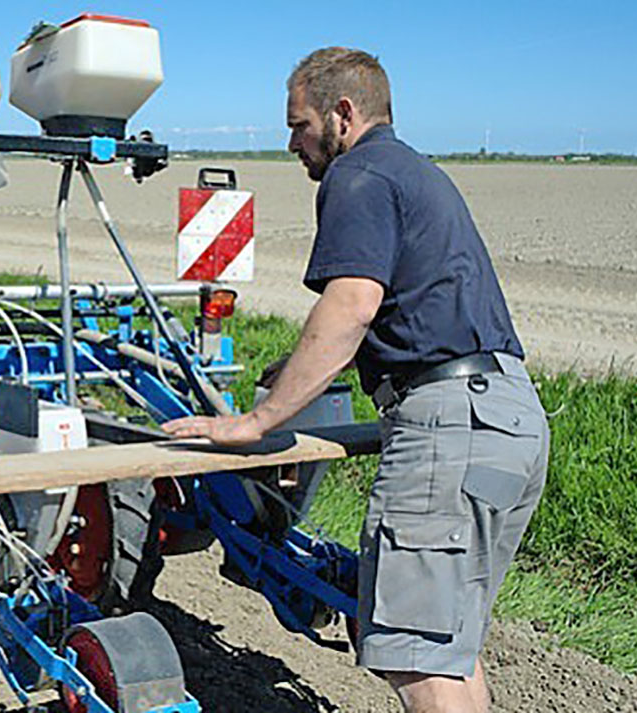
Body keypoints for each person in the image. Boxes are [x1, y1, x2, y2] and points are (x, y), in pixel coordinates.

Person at [162, 47, 549, 713]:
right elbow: (403, 310)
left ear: (343, 114)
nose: (291, 142)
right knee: (448, 648)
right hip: (507, 419)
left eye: (298, 124)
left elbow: (352, 305)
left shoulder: (359, 175)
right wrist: (300, 366)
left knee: (418, 660)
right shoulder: (415, 172)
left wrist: (254, 421)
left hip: (447, 430)